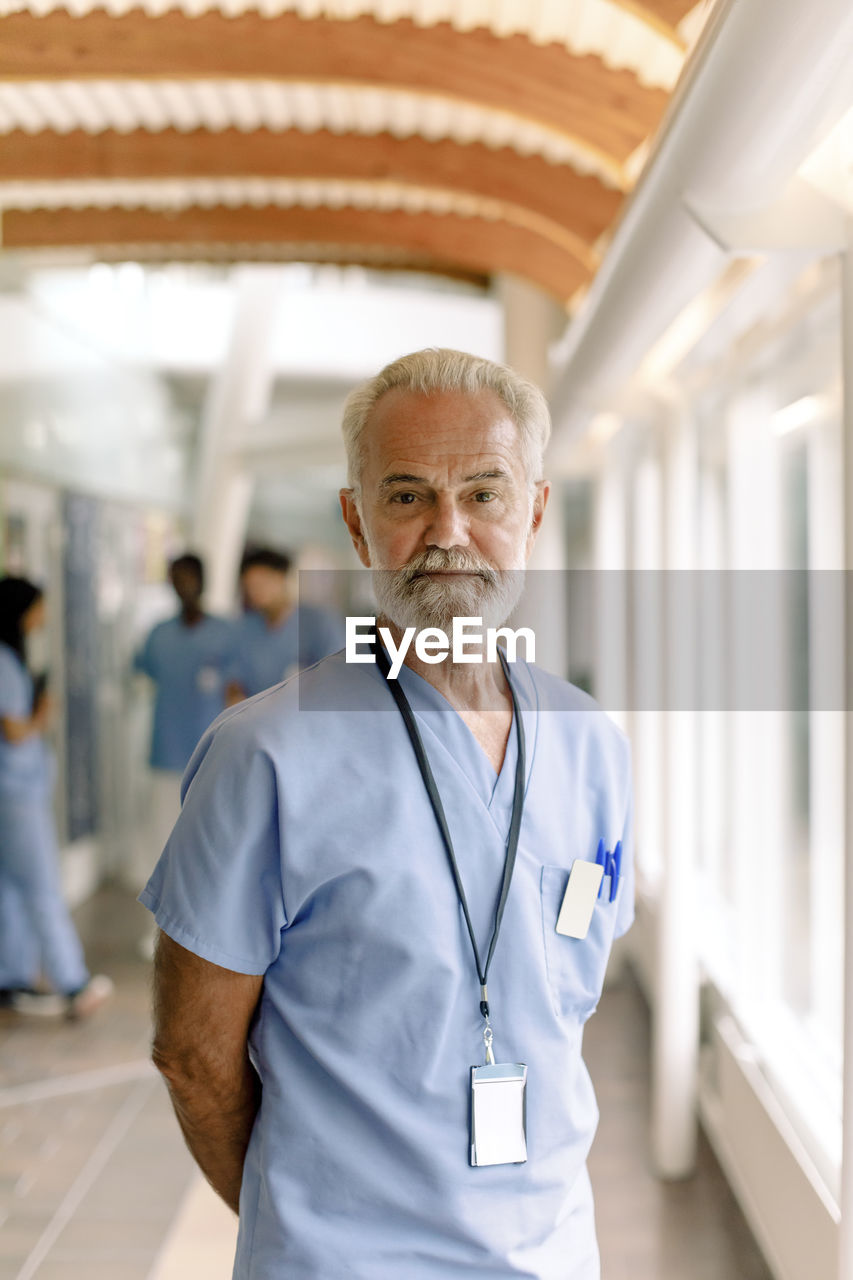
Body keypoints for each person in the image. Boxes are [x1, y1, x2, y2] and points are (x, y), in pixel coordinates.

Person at [143, 349, 634, 1280]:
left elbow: (559, 1006)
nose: (446, 531)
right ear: (356, 522)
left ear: (531, 511)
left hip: (555, 1250)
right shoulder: (266, 756)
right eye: (406, 496)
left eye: (483, 494)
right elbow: (191, 1055)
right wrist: (309, 1226)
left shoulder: (588, 743)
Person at [0, 576, 112, 1018]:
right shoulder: (6, 662)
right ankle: (72, 982)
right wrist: (43, 713)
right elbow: (15, 731)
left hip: (9, 790)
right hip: (17, 793)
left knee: (8, 888)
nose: (42, 618)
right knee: (44, 886)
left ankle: (12, 976)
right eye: (38, 609)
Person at [135, 553, 240, 863]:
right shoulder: (159, 634)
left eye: (189, 578)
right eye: (176, 579)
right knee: (164, 840)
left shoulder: (225, 633)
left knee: (209, 842)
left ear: (203, 582)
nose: (182, 586)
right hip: (166, 749)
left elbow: (237, 691)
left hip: (211, 751)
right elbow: (145, 672)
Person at [226, 547, 345, 701]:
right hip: (258, 717)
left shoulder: (319, 622)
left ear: (281, 578)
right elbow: (234, 677)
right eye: (250, 587)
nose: (256, 592)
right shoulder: (246, 628)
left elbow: (339, 675)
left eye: (262, 583)